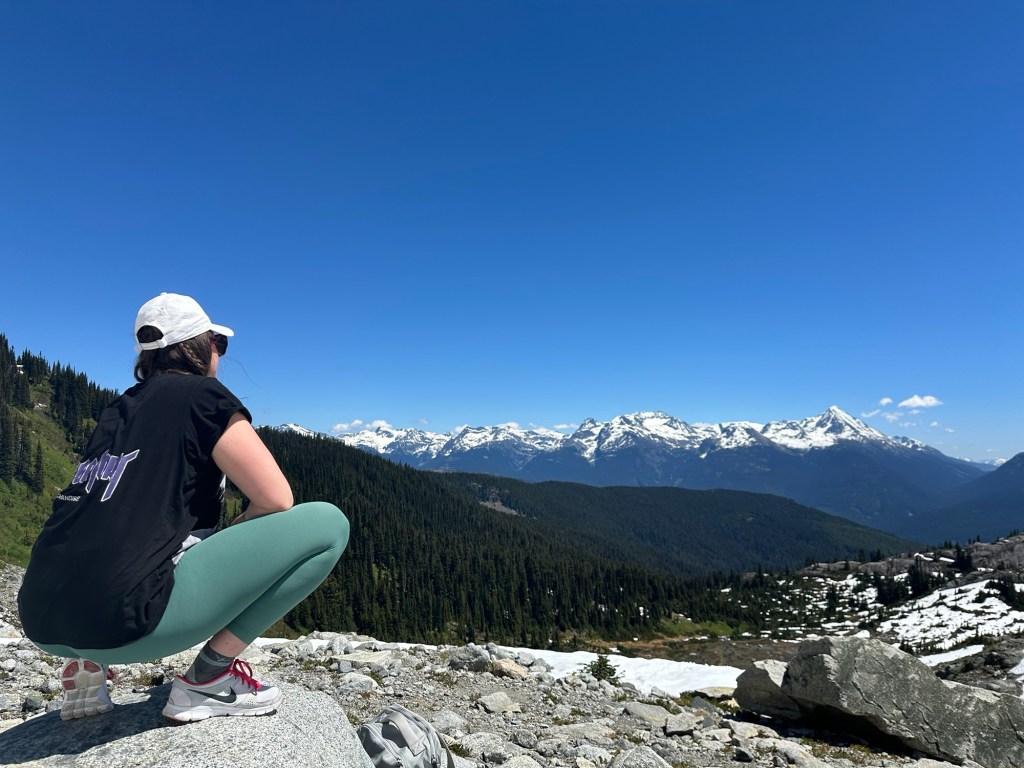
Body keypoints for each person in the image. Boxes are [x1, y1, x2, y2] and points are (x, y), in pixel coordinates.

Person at [17, 293, 349, 723]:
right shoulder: (203, 396)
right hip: (131, 625)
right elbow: (275, 498)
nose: (220, 354)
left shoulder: (118, 410)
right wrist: (237, 535)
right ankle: (208, 679)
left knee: (108, 513)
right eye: (218, 343)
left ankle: (86, 661)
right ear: (202, 346)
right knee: (328, 525)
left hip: (41, 618)